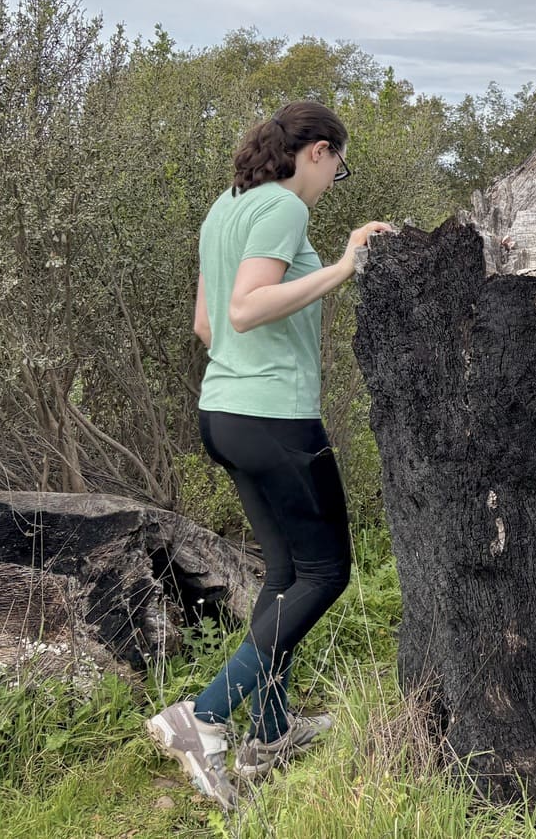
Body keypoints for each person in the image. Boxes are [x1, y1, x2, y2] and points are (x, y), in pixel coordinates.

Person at [145, 101, 394, 809]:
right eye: (338, 168)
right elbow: (244, 309)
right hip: (274, 416)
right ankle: (204, 716)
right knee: (326, 572)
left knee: (284, 574)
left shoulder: (226, 209)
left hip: (223, 411)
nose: (333, 180)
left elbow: (205, 322)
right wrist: (344, 265)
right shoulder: (283, 210)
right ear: (318, 150)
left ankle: (272, 732)